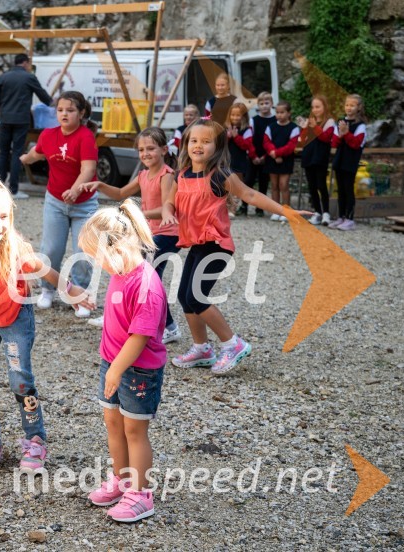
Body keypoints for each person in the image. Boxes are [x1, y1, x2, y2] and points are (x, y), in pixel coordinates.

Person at [0, 178, 94, 474]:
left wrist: (72, 291)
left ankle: (35, 439)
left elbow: (45, 270)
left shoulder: (13, 245)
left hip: (16, 316)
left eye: (3, 216)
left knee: (20, 379)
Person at [160, 119, 309, 375]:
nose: (198, 145)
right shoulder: (180, 175)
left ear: (217, 147)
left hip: (217, 246)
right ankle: (202, 349)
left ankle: (233, 344)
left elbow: (250, 195)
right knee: (185, 296)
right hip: (196, 245)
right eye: (194, 140)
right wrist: (166, 212)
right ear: (186, 144)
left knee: (196, 296)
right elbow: (168, 203)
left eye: (206, 141)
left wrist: (285, 211)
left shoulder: (219, 175)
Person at [78, 201, 166, 523]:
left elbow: (140, 336)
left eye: (96, 255)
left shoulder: (145, 284)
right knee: (113, 424)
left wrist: (116, 368)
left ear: (116, 245)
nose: (96, 263)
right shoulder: (120, 272)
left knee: (134, 430)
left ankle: (141, 494)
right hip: (112, 365)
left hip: (138, 370)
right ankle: (122, 479)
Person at [84, 127, 181, 343]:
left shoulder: (167, 175)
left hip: (167, 233)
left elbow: (168, 208)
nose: (145, 153)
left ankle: (168, 326)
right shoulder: (144, 175)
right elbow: (120, 193)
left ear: (164, 149)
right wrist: (100, 185)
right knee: (134, 272)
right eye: (141, 149)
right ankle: (129, 316)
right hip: (150, 234)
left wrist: (137, 214)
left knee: (148, 278)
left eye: (151, 148)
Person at [19, 91, 98, 318]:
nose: (64, 114)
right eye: (61, 110)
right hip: (54, 200)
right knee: (51, 248)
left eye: (70, 110)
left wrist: (75, 190)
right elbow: (37, 153)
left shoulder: (85, 137)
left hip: (83, 203)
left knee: (83, 250)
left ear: (81, 113)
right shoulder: (48, 134)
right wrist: (25, 158)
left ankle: (81, 294)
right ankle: (48, 288)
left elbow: (89, 169)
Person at [0, 54, 53, 199]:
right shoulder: (29, 77)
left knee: (3, 153)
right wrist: (55, 103)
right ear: (26, 63)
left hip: (5, 119)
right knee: (17, 153)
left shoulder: (3, 77)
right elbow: (45, 98)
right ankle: (13, 190)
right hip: (21, 120)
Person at [330, 94, 368, 231]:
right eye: (347, 105)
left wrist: (346, 133)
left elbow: (356, 144)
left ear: (358, 108)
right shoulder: (340, 122)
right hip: (339, 159)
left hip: (351, 160)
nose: (349, 108)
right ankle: (341, 216)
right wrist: (340, 135)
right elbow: (334, 142)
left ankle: (350, 219)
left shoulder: (361, 126)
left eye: (352, 105)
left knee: (348, 189)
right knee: (340, 189)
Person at [298, 95, 335, 226]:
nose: (315, 109)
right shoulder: (310, 121)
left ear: (325, 107)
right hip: (309, 156)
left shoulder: (329, 122)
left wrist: (314, 127)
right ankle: (317, 212)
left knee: (321, 185)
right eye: (313, 107)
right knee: (312, 186)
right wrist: (304, 128)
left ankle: (326, 212)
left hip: (320, 157)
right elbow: (302, 140)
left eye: (318, 106)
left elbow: (326, 138)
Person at [263, 100, 300, 222]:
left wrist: (278, 153)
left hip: (286, 160)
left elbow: (291, 145)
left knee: (283, 185)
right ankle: (275, 210)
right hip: (272, 159)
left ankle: (286, 211)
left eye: (282, 112)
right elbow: (266, 141)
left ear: (289, 113)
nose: (279, 115)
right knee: (274, 185)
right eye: (277, 112)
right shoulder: (271, 127)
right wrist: (273, 153)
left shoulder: (294, 128)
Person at [247, 92, 275, 216]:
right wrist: (253, 156)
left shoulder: (274, 120)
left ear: (271, 104)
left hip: (267, 157)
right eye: (261, 103)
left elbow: (273, 141)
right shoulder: (253, 120)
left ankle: (260, 208)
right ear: (258, 105)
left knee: (263, 183)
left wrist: (265, 156)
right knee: (249, 181)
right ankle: (244, 205)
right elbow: (249, 139)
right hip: (253, 156)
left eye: (267, 103)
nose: (264, 106)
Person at [225, 102, 255, 216]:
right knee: (227, 186)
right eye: (233, 115)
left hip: (239, 161)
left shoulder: (247, 129)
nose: (235, 117)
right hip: (227, 161)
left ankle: (233, 209)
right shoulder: (225, 128)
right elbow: (220, 144)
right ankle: (226, 208)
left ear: (244, 117)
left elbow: (247, 145)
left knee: (237, 186)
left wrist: (236, 137)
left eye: (238, 115)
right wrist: (228, 137)